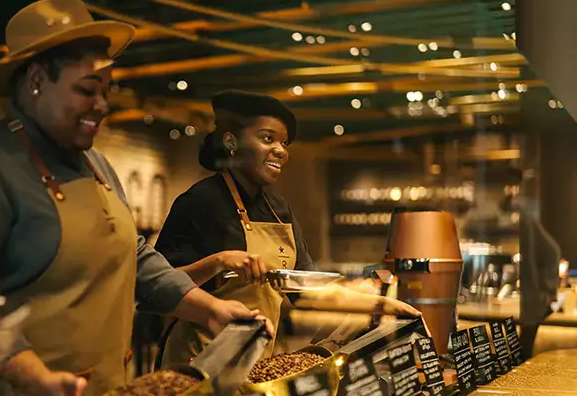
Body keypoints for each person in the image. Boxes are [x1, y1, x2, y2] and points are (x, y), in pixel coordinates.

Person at [0, 0, 270, 396]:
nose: (102, 106)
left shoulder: (97, 165)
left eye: (106, 90)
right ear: (36, 81)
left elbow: (135, 257)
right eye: (87, 90)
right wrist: (38, 379)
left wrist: (209, 309)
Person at [155, 90, 420, 369]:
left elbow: (307, 291)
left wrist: (382, 305)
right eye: (267, 139)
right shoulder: (200, 202)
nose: (281, 150)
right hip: (197, 362)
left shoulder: (278, 209)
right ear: (231, 141)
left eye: (284, 142)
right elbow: (158, 287)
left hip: (256, 361)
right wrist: (218, 262)